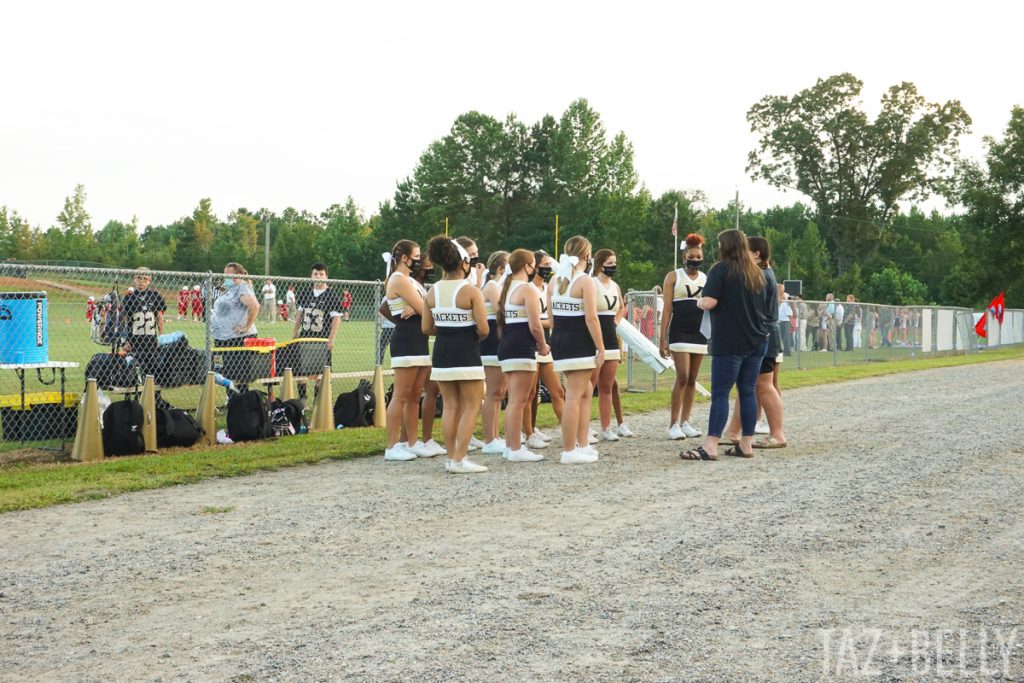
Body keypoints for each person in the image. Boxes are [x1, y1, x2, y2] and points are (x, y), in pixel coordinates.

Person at [680, 229, 773, 461]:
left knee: (721, 394)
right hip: (757, 340)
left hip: (730, 341)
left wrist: (699, 302)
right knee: (748, 391)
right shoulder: (759, 273)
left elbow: (710, 302)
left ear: (726, 247)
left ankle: (710, 446)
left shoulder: (721, 269)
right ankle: (746, 444)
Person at [422, 236, 489, 474]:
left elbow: (426, 328)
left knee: (450, 406)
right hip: (466, 352)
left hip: (442, 352)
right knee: (472, 405)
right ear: (463, 263)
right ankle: (460, 459)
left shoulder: (432, 291)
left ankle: (451, 457)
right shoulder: (470, 290)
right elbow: (483, 329)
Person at [723, 236, 787, 450]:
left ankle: (777, 434)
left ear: (756, 254)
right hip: (762, 334)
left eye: (746, 251)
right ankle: (733, 431)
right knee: (747, 386)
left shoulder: (760, 275)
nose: (742, 255)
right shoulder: (765, 273)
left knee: (763, 386)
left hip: (763, 336)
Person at [550, 235, 605, 464]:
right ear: (586, 256)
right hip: (578, 339)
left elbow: (551, 316)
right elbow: (591, 318)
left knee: (584, 391)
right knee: (573, 396)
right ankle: (568, 450)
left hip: (560, 338)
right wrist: (601, 348)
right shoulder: (585, 281)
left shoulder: (555, 280)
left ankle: (581, 444)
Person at [382, 240, 434, 461]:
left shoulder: (411, 281)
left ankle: (411, 442)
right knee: (401, 395)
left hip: (419, 339)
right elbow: (426, 308)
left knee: (414, 395)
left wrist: (417, 307)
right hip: (406, 341)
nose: (419, 260)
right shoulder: (398, 279)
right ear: (404, 258)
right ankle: (392, 445)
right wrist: (418, 307)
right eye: (416, 256)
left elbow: (424, 307)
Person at [497, 249, 549, 462]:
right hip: (521, 346)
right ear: (528, 266)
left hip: (508, 344)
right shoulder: (527, 289)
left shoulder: (507, 288)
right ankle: (516, 447)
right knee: (518, 401)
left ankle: (511, 446)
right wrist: (543, 344)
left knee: (513, 401)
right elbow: (535, 324)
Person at [659, 233, 708, 440]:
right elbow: (668, 308)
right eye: (691, 256)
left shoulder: (706, 278)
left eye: (698, 256)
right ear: (684, 256)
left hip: (699, 332)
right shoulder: (674, 276)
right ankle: (673, 424)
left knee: (693, 379)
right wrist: (663, 338)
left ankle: (686, 421)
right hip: (680, 331)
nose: (695, 260)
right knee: (682, 376)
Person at [524, 250, 563, 450]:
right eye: (544, 264)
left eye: (550, 264)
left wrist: (545, 322)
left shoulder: (548, 288)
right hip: (531, 344)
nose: (548, 268)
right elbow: (537, 321)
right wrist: (545, 322)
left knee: (557, 390)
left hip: (546, 345)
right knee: (530, 393)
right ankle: (528, 431)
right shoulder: (527, 288)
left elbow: (552, 319)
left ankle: (570, 430)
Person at [591, 249, 630, 441]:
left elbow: (622, 307)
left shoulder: (615, 286)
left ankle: (606, 427)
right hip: (594, 339)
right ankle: (584, 425)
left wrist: (617, 318)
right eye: (609, 263)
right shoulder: (592, 283)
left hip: (611, 337)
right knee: (589, 385)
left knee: (606, 386)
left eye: (615, 263)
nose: (613, 267)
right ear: (599, 264)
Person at [293, 263, 343, 398]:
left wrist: (331, 339)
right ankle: (302, 398)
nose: (318, 276)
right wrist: (295, 332)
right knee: (301, 370)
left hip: (322, 338)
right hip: (305, 336)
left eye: (321, 274)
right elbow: (300, 313)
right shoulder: (305, 292)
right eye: (315, 274)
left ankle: (317, 400)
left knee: (321, 372)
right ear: (311, 276)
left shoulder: (332, 295)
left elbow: (336, 319)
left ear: (326, 276)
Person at [479, 251, 510, 454]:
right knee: (493, 392)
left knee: (500, 392)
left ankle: (495, 436)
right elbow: (503, 309)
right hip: (491, 342)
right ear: (500, 269)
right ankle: (489, 439)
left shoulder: (501, 286)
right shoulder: (492, 286)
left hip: (500, 340)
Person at [211, 263, 260, 387]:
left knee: (238, 375)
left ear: (237, 275)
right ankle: (232, 400)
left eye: (229, 275)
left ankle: (240, 402)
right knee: (224, 372)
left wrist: (246, 326)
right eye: (225, 274)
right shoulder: (231, 289)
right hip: (224, 338)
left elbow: (254, 306)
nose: (226, 277)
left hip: (237, 339)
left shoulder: (242, 287)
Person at [121, 267, 166, 377]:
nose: (141, 281)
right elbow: (123, 320)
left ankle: (155, 393)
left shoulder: (155, 296)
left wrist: (162, 335)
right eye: (139, 278)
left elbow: (159, 317)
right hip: (134, 342)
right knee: (134, 371)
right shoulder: (128, 298)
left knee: (154, 371)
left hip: (151, 341)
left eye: (145, 279)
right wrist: (124, 341)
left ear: (149, 281)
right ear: (134, 279)